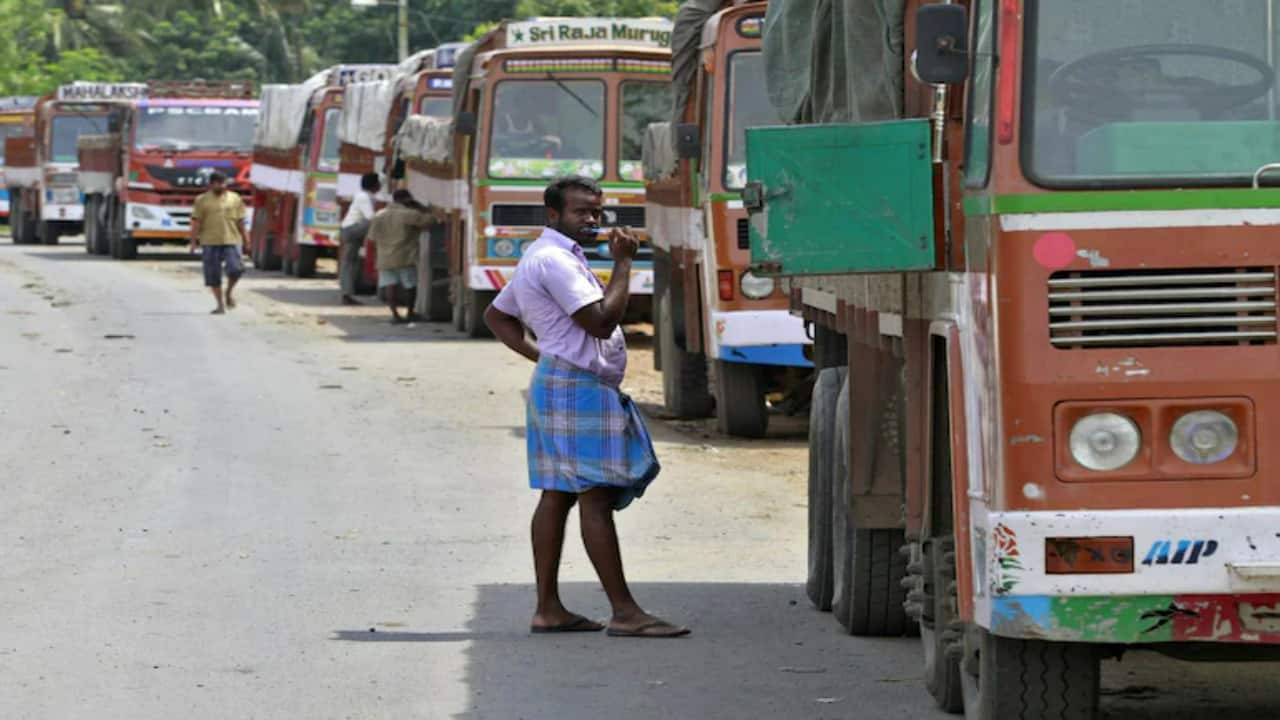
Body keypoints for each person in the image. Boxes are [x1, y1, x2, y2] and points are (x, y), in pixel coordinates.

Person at [484, 175, 690, 638]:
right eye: (581, 211)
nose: (592, 220)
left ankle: (548, 608)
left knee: (558, 493)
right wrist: (623, 265)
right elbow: (600, 321)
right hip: (575, 388)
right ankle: (624, 612)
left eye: (597, 211)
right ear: (553, 214)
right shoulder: (555, 261)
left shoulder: (545, 256)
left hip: (562, 381)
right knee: (594, 494)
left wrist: (546, 357)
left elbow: (497, 315)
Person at [367, 189, 439, 324]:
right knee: (410, 286)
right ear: (407, 200)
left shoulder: (379, 215)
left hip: (385, 258)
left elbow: (371, 238)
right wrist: (421, 207)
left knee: (390, 286)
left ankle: (395, 315)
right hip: (405, 257)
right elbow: (431, 221)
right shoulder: (409, 214)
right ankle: (410, 313)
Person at [189, 171, 248, 315]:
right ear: (211, 184)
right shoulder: (201, 200)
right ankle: (220, 305)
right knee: (213, 275)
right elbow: (196, 222)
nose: (222, 186)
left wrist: (247, 240)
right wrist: (193, 242)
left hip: (232, 240)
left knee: (236, 269)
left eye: (224, 183)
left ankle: (228, 293)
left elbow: (241, 221)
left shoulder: (235, 198)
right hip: (210, 242)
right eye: (219, 183)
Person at [339, 172, 380, 306]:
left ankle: (348, 293)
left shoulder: (366, 196)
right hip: (352, 230)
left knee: (350, 262)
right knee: (349, 263)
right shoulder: (364, 197)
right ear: (374, 185)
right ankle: (346, 294)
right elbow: (370, 217)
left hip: (352, 230)